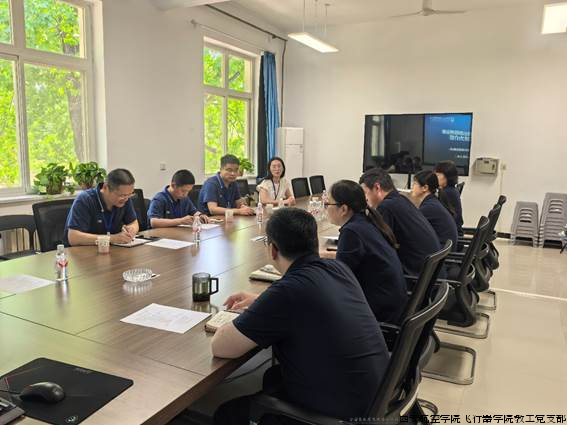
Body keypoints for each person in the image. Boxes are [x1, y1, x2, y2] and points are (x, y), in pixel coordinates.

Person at [211, 208, 389, 424]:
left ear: (273, 250)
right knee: (273, 376)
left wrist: (238, 315)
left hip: (341, 415)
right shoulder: (338, 268)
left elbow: (221, 347)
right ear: (314, 242)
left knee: (226, 414)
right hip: (376, 398)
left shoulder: (287, 292)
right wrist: (261, 301)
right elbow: (306, 300)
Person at [321, 180, 408, 324]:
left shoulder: (351, 232)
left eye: (327, 204)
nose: (325, 208)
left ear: (343, 209)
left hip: (378, 313)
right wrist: (325, 256)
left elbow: (340, 279)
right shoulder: (365, 222)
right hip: (392, 305)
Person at [359, 168, 440, 276]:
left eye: (365, 193)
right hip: (427, 274)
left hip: (414, 276)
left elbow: (376, 247)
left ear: (377, 187)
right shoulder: (401, 200)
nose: (365, 198)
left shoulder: (387, 207)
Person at [64, 168, 139, 246]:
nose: (126, 199)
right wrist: (112, 238)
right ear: (105, 187)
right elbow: (73, 238)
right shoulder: (85, 199)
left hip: (111, 249)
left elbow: (134, 223)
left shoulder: (125, 199)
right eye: (122, 195)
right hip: (82, 251)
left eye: (130, 194)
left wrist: (131, 231)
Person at [411, 170, 458, 251]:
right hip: (443, 250)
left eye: (415, 183)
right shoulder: (432, 202)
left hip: (440, 254)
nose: (412, 187)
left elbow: (411, 228)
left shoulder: (428, 207)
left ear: (425, 188)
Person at [435, 160, 464, 235]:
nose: (435, 178)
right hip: (453, 232)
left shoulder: (447, 192)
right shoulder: (451, 189)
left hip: (450, 236)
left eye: (438, 175)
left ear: (447, 177)